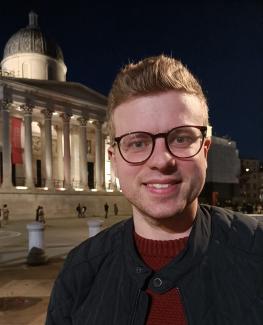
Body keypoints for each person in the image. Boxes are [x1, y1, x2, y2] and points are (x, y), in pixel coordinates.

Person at [46, 55, 263, 324]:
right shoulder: (79, 272)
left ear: (205, 151)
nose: (161, 161)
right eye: (137, 143)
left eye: (181, 138)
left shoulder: (257, 252)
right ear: (114, 159)